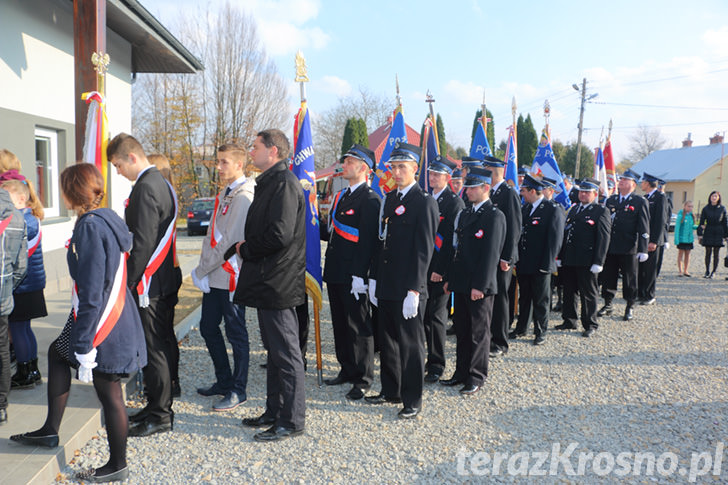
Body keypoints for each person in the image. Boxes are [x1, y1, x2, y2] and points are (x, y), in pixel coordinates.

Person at [11, 163, 146, 483]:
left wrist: (85, 345)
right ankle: (49, 430)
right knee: (58, 354)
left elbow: (92, 292)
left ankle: (117, 464)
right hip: (112, 317)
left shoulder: (89, 227)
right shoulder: (104, 217)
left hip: (105, 325)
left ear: (71, 191)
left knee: (109, 390)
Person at [234, 129, 306, 442]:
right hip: (268, 280)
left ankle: (291, 420)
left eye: (256, 147)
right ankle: (274, 410)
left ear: (272, 151)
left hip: (277, 280)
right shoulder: (270, 182)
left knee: (286, 354)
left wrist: (245, 249)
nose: (252, 151)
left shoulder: (285, 184)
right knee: (274, 352)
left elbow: (280, 234)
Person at [107, 133, 177, 437]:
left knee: (154, 348)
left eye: (118, 165)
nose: (118, 172)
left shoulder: (147, 188)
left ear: (132, 157)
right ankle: (154, 407)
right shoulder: (158, 183)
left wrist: (128, 282)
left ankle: (160, 415)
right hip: (160, 279)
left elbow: (143, 243)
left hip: (152, 284)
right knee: (154, 346)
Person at [365, 142, 438, 420]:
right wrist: (374, 279)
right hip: (386, 284)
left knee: (410, 345)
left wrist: (415, 289)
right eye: (393, 167)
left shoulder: (424, 202)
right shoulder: (391, 199)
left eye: (402, 167)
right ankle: (391, 389)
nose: (396, 172)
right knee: (388, 340)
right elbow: (382, 243)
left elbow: (424, 249)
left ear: (415, 170)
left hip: (408, 287)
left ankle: (412, 399)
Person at [191, 144, 254, 411]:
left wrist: (202, 270)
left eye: (224, 162)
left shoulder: (243, 196)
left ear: (239, 165)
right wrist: (202, 267)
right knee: (207, 327)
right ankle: (224, 381)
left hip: (230, 274)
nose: (218, 167)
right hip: (214, 274)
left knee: (236, 333)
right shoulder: (225, 192)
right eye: (218, 162)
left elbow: (229, 240)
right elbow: (211, 236)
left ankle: (238, 390)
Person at [322, 144, 380, 400]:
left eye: (349, 161)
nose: (344, 165)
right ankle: (346, 368)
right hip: (336, 270)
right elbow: (333, 233)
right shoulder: (342, 196)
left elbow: (368, 242)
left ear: (364, 168)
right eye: (345, 161)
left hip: (354, 275)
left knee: (358, 326)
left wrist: (361, 275)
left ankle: (363, 377)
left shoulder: (370, 199)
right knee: (340, 324)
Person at [440, 167, 505, 395]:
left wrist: (481, 285)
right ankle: (461, 373)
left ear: (485, 188)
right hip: (461, 283)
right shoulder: (467, 214)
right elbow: (457, 251)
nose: (467, 191)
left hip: (479, 286)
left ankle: (476, 376)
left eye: (472, 187)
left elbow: (490, 255)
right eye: (466, 187)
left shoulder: (494, 216)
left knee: (479, 333)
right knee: (463, 330)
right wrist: (450, 279)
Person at [1, 179, 47, 389]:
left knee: (18, 329)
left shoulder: (20, 220)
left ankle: (24, 370)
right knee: (25, 329)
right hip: (32, 284)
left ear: (21, 198)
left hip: (23, 284)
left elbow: (15, 256)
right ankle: (32, 369)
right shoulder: (31, 218)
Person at [509, 174, 564, 345]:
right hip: (525, 262)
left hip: (541, 263)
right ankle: (522, 327)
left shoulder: (552, 209)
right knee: (525, 297)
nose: (522, 194)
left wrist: (548, 264)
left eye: (524, 191)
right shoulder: (526, 209)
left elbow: (555, 240)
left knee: (541, 299)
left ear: (533, 191)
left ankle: (540, 330)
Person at [422, 155, 463, 384]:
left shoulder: (454, 202)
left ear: (448, 178)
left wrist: (442, 270)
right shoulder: (427, 199)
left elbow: (450, 242)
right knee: (423, 318)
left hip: (438, 270)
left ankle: (436, 364)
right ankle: (424, 358)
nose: (432, 177)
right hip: (423, 267)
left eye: (437, 174)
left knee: (436, 318)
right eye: (430, 173)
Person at [554, 178, 611, 337]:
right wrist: (560, 255)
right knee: (569, 291)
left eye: (587, 192)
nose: (583, 194)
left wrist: (599, 261)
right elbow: (566, 234)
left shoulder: (600, 211)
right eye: (581, 191)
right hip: (570, 258)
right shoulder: (573, 210)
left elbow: (603, 238)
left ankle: (590, 323)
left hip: (588, 260)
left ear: (595, 194)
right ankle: (570, 320)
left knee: (589, 293)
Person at [148, 154, 182, 398]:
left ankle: (163, 387)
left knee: (159, 335)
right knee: (167, 332)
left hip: (160, 272)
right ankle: (173, 381)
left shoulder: (159, 197)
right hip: (172, 268)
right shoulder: (171, 193)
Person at [598, 169, 650, 321]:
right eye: (620, 179)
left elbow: (644, 226)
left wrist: (643, 248)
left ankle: (630, 305)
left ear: (633, 185)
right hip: (611, 246)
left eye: (625, 180)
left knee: (630, 278)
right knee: (608, 276)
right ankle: (608, 304)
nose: (621, 182)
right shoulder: (611, 200)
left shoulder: (639, 201)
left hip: (629, 248)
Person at [483, 156, 521, 357]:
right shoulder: (489, 192)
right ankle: (489, 336)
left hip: (502, 259)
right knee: (490, 296)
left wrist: (507, 256)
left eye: (486, 168)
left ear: (494, 170)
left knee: (500, 298)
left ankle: (500, 341)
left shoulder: (508, 194)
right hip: (490, 255)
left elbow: (514, 227)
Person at [0, 186, 26, 426]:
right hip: (2, 296)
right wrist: (7, 286)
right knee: (2, 351)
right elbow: (21, 266)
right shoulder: (17, 217)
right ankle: (1, 407)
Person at [637, 173, 667, 305]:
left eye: (643, 182)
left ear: (648, 183)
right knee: (641, 268)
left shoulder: (660, 197)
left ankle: (650, 295)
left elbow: (660, 220)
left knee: (650, 269)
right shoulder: (645, 198)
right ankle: (641, 293)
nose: (641, 184)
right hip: (644, 239)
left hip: (653, 240)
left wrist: (654, 240)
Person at [697, 191, 728, 278]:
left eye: (716, 196)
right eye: (712, 196)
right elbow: (702, 222)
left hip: (719, 231)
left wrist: (726, 235)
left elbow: (725, 222)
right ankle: (707, 271)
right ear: (710, 197)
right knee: (708, 252)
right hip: (709, 230)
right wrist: (700, 234)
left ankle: (714, 271)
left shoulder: (722, 208)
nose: (714, 198)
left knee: (716, 253)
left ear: (718, 198)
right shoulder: (705, 208)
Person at [674, 200, 695, 277]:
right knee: (680, 254)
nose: (690, 208)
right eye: (689, 206)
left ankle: (686, 270)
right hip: (682, 239)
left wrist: (699, 227)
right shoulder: (680, 216)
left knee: (688, 255)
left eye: (691, 206)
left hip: (689, 239)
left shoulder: (691, 216)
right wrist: (676, 239)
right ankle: (680, 270)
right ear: (685, 206)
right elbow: (677, 228)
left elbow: (692, 226)